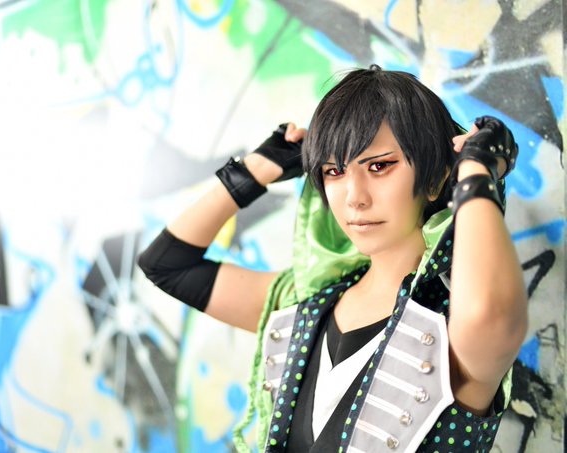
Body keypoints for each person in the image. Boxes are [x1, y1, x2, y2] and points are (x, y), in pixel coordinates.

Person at [138, 65, 527, 452]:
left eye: (379, 166)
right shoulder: (305, 304)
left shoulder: (450, 326)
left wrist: (477, 171)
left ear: (436, 178)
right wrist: (256, 169)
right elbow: (167, 264)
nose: (354, 197)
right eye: (333, 171)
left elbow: (490, 314)